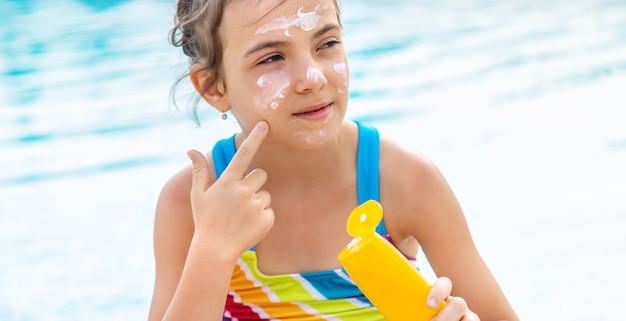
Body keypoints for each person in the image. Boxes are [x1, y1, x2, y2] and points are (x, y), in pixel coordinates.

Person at [148, 0, 519, 320]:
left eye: (326, 43)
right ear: (214, 88)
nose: (312, 77)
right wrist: (212, 250)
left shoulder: (403, 179)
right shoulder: (193, 203)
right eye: (272, 57)